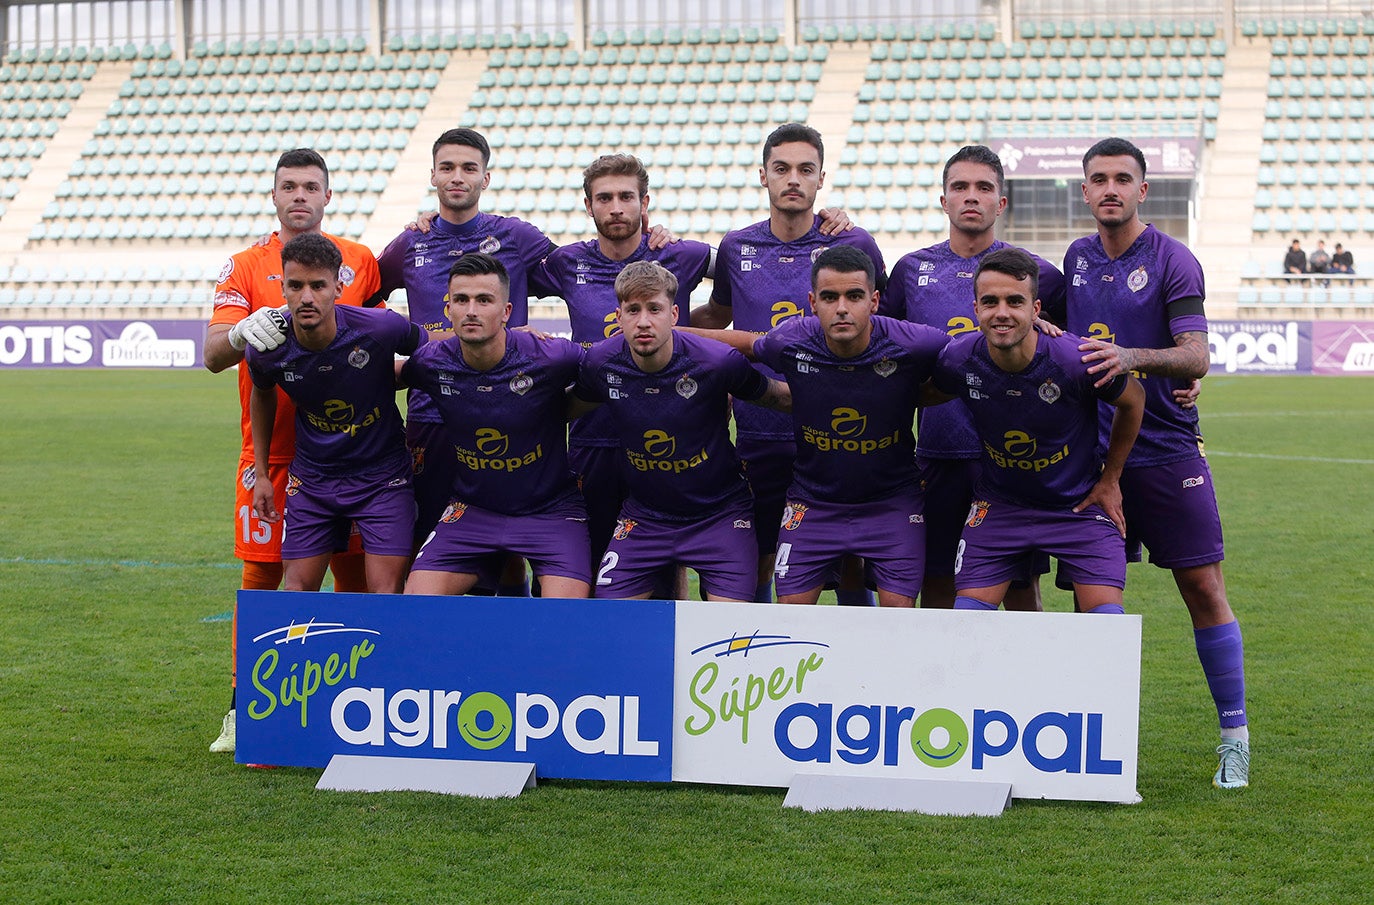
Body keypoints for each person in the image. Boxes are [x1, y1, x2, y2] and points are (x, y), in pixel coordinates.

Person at [1067, 137, 1251, 790]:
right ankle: (1090, 742)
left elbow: (1196, 355)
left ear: (1144, 190)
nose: (1110, 188)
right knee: (1095, 602)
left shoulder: (1174, 259)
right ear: (1084, 191)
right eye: (1099, 179)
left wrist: (1134, 359)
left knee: (1203, 589)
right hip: (1094, 460)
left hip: (1169, 453)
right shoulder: (1075, 259)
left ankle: (1235, 736)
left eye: (1123, 178)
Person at [202, 147, 382, 754]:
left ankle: (361, 698)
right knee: (262, 576)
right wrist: (238, 332)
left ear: (327, 196)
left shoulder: (358, 261)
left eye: (311, 186)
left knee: (355, 576)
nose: (299, 195)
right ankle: (243, 705)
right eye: (289, 186)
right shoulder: (246, 265)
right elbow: (211, 355)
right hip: (271, 456)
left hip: (350, 455)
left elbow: (379, 345)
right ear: (274, 195)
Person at [691, 122, 886, 605]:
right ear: (764, 176)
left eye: (805, 169)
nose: (793, 179)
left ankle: (858, 661)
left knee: (848, 556)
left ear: (821, 179)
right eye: (782, 168)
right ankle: (757, 650)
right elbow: (719, 316)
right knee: (758, 547)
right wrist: (667, 330)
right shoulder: (737, 246)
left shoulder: (853, 243)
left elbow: (886, 322)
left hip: (839, 428)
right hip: (759, 426)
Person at [692, 246, 949, 607]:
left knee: (899, 617)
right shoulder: (792, 339)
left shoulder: (914, 342)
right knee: (791, 617)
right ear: (813, 302)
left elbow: (972, 354)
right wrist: (668, 333)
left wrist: (1035, 328)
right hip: (813, 503)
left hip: (892, 504)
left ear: (874, 301)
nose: (842, 307)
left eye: (854, 296)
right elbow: (747, 345)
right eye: (830, 297)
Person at [880, 145, 1067, 610]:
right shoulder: (910, 270)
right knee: (938, 581)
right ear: (943, 200)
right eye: (959, 187)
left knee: (1021, 589)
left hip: (1012, 458)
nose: (971, 197)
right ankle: (942, 683)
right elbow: (878, 347)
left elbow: (1075, 350)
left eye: (984, 188)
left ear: (1001, 203)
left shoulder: (1039, 274)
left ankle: (1024, 684)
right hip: (937, 453)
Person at [377, 129, 559, 570]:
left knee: (513, 533)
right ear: (433, 176)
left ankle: (514, 616)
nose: (458, 177)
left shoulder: (516, 236)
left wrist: (650, 233)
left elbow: (581, 273)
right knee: (432, 531)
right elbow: (364, 300)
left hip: (514, 407)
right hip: (431, 413)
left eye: (469, 168)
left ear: (486, 178)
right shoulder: (409, 243)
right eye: (448, 167)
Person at [929, 248, 1144, 614]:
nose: (1002, 312)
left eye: (1015, 301)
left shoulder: (1075, 361)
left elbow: (1134, 400)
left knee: (1107, 626)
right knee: (964, 624)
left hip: (1076, 506)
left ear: (1036, 309)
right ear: (976, 308)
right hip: (1000, 506)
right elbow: (915, 393)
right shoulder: (958, 359)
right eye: (990, 301)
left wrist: (1111, 479)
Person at [571, 261, 790, 601]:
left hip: (720, 517)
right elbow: (561, 409)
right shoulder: (600, 363)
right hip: (644, 518)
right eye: (633, 310)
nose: (643, 321)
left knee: (730, 633)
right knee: (611, 623)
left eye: (654, 309)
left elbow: (779, 398)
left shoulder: (718, 362)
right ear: (618, 316)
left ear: (674, 315)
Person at [539, 154, 713, 576]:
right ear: (588, 206)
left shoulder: (683, 255)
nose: (616, 207)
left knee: (668, 557)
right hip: (592, 436)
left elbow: (743, 286)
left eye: (626, 196)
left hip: (670, 437)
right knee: (596, 555)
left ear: (644, 202)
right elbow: (493, 278)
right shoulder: (565, 262)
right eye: (604, 198)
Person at [399, 253, 591, 598]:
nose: (471, 310)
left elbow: (608, 370)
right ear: (448, 310)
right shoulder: (431, 362)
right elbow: (376, 374)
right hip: (474, 511)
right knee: (417, 605)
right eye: (461, 300)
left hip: (551, 512)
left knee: (566, 619)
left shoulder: (549, 356)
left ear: (506, 312)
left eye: (484, 300)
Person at [246, 233, 423, 595]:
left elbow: (435, 353)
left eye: (318, 285)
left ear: (339, 287)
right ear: (282, 288)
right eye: (295, 286)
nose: (306, 297)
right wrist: (262, 474)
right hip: (313, 478)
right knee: (296, 591)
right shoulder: (267, 349)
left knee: (386, 594)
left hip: (382, 477)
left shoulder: (380, 328)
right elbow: (261, 396)